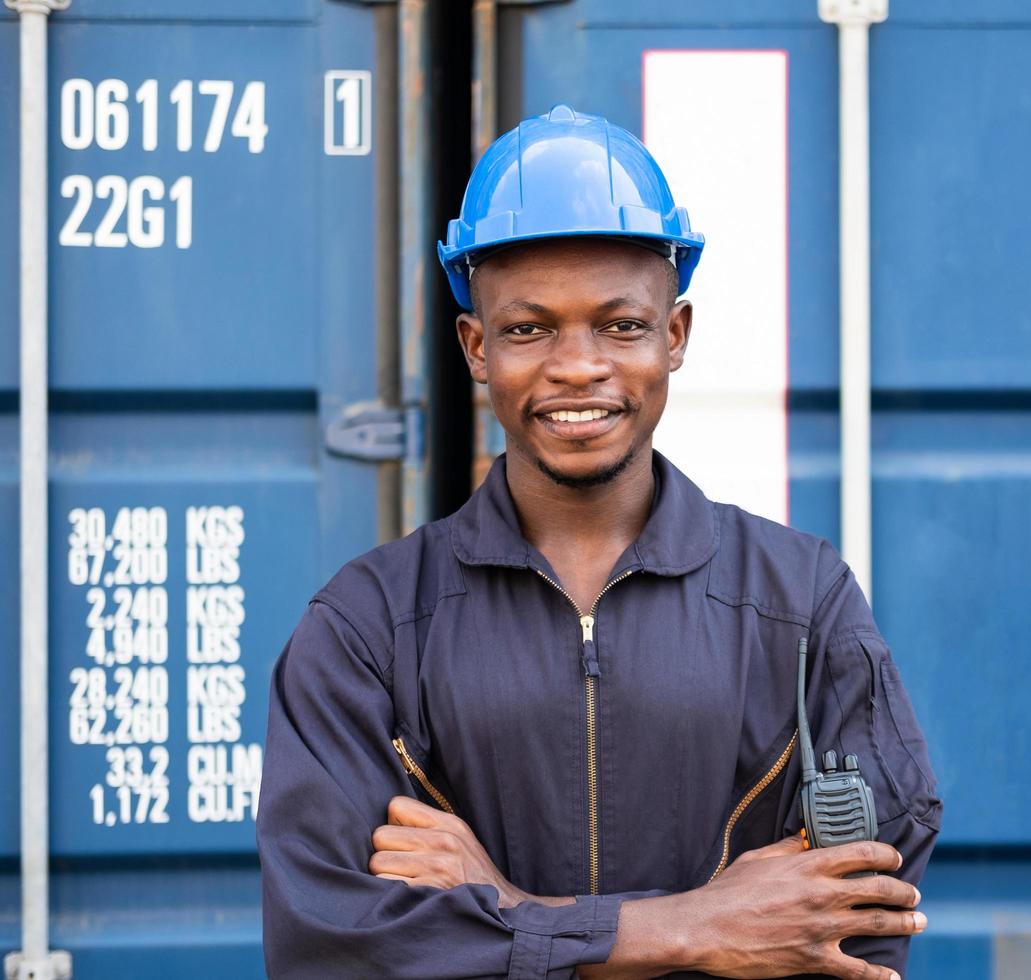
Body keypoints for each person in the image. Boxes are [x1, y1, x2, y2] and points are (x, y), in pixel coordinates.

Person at [257, 104, 942, 980]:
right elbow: (332, 946)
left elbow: (860, 934)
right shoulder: (367, 627)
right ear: (476, 347)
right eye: (528, 327)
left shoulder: (800, 603)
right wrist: (694, 927)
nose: (577, 365)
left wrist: (506, 911)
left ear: (675, 336)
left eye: (620, 325)